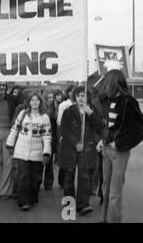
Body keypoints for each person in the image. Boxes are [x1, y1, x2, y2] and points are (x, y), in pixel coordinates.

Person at [98, 69, 143, 223]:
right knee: (105, 189)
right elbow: (107, 125)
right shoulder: (106, 100)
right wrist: (102, 140)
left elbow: (140, 129)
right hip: (105, 149)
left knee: (114, 194)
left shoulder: (128, 102)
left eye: (107, 82)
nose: (104, 86)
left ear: (113, 83)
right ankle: (105, 219)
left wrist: (119, 143)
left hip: (119, 152)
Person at [59, 86, 104, 216]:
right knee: (68, 179)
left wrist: (90, 113)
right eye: (78, 95)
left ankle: (83, 205)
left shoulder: (92, 110)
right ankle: (69, 207)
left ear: (87, 97)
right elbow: (64, 130)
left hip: (87, 149)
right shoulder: (69, 111)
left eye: (83, 95)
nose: (80, 98)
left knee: (84, 177)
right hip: (70, 149)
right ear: (74, 97)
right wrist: (75, 143)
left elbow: (101, 126)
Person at [6, 92, 52, 211]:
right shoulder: (22, 114)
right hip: (21, 150)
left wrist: (46, 153)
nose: (35, 102)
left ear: (40, 102)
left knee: (34, 178)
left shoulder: (44, 117)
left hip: (36, 152)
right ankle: (23, 201)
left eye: (37, 100)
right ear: (29, 102)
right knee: (22, 177)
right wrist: (10, 144)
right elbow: (15, 129)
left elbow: (47, 136)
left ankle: (32, 198)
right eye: (32, 100)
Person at [56, 84, 75, 188]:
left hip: (75, 136)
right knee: (64, 158)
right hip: (64, 133)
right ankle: (62, 181)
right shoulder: (63, 105)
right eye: (72, 91)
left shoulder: (78, 104)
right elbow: (59, 121)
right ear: (68, 93)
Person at [40, 91, 59, 190]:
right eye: (49, 98)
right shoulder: (41, 110)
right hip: (40, 138)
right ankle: (38, 181)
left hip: (51, 138)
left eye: (52, 97)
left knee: (49, 162)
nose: (51, 99)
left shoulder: (55, 109)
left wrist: (55, 142)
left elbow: (55, 128)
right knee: (39, 161)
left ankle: (48, 183)